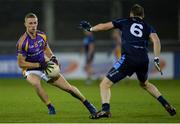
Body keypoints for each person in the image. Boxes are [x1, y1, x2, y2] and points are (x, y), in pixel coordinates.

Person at [80, 4, 176, 119]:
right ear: (143, 15)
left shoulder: (125, 21)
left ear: (131, 14)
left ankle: (105, 110)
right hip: (143, 59)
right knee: (145, 84)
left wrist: (90, 29)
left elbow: (104, 26)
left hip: (129, 58)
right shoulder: (148, 26)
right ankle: (165, 103)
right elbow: (156, 40)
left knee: (105, 84)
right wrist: (156, 58)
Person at [16, 13, 97, 116]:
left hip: (45, 65)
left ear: (37, 23)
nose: (33, 25)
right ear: (25, 24)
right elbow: (21, 63)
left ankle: (88, 104)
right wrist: (38, 65)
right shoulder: (22, 42)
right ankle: (50, 106)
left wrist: (54, 58)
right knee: (36, 83)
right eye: (30, 23)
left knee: (68, 88)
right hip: (30, 69)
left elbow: (46, 49)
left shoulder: (42, 35)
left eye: (35, 23)